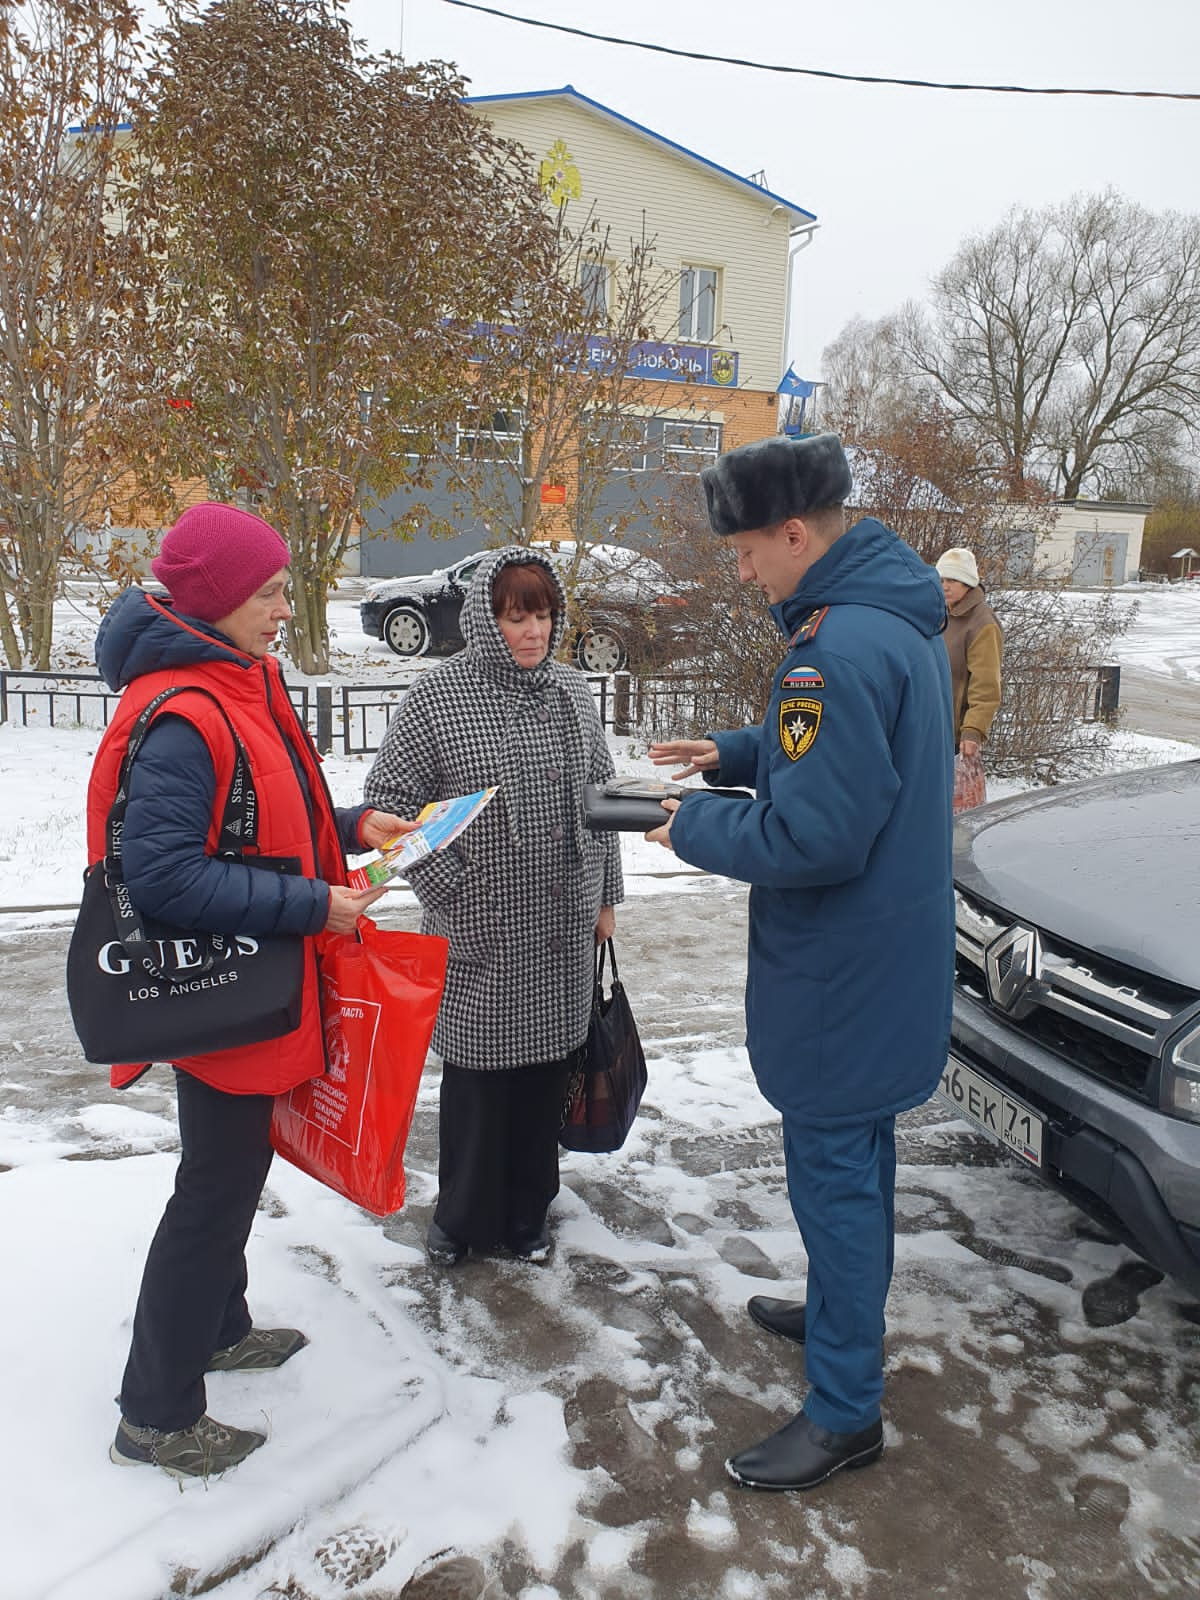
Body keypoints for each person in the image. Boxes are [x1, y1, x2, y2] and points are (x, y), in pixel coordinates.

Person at [645, 433, 954, 1492]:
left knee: (834, 1182)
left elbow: (810, 839)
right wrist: (735, 752)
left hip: (838, 979)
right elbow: (849, 753)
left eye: (743, 551)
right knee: (855, 1171)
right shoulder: (891, 622)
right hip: (885, 965)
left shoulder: (831, 649)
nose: (739, 571)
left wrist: (687, 827)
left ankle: (843, 1410)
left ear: (792, 532)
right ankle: (839, 1318)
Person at [87, 502, 412, 1480]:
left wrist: (357, 825)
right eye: (269, 591)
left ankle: (219, 1329)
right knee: (213, 1192)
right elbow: (166, 877)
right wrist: (318, 905)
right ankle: (154, 1412)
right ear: (220, 599)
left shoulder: (237, 682)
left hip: (244, 988)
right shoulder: (187, 711)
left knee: (229, 1175)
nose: (284, 606)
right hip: (221, 994)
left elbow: (264, 819)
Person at [364, 546, 623, 1266]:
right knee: (479, 1083)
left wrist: (607, 897)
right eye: (516, 617)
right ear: (486, 619)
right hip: (482, 927)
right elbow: (390, 807)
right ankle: (464, 1216)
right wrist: (451, 890)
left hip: (563, 923)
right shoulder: (438, 698)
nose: (532, 632)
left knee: (545, 1079)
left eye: (541, 615)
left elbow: (603, 802)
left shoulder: (572, 693)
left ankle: (528, 1210)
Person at [935, 546, 1003, 761]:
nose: (945, 587)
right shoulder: (936, 613)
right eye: (941, 580)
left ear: (967, 583)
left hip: (955, 736)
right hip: (928, 728)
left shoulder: (982, 623)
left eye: (952, 581)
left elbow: (985, 684)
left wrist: (973, 731)